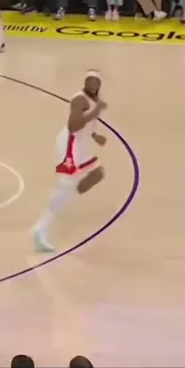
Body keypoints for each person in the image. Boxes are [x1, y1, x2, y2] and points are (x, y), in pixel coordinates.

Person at [32, 72, 109, 253]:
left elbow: (87, 125)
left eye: (96, 82)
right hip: (70, 145)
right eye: (90, 81)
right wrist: (96, 110)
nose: (93, 85)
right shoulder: (79, 99)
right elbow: (74, 125)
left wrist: (94, 136)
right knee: (65, 186)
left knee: (96, 174)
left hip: (81, 145)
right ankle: (40, 229)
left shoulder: (93, 99)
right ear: (85, 83)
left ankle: (59, 202)